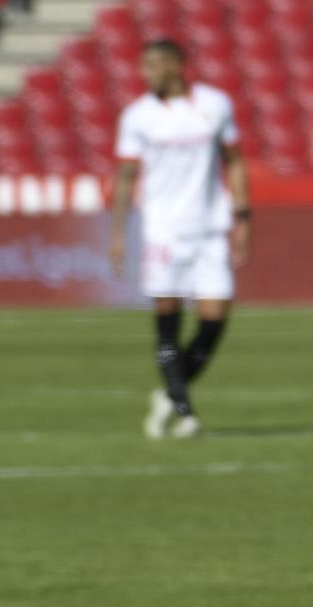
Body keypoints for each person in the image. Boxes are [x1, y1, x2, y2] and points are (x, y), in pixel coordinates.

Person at [109, 38, 252, 439]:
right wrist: (118, 232)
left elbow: (235, 160)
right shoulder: (138, 116)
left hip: (210, 228)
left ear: (175, 65)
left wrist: (243, 217)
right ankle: (185, 410)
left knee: (214, 320)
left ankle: (170, 393)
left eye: (153, 64)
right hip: (163, 230)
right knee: (168, 324)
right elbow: (125, 175)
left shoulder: (214, 104)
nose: (145, 73)